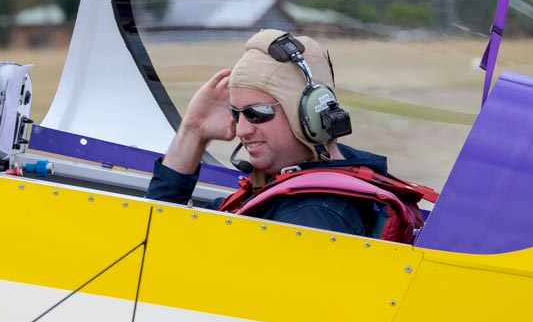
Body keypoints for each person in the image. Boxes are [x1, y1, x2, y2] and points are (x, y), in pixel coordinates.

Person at [146, 28, 401, 237]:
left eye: (257, 113)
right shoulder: (290, 185)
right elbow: (158, 232)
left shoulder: (310, 216)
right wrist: (193, 129)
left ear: (310, 115)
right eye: (236, 114)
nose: (242, 130)